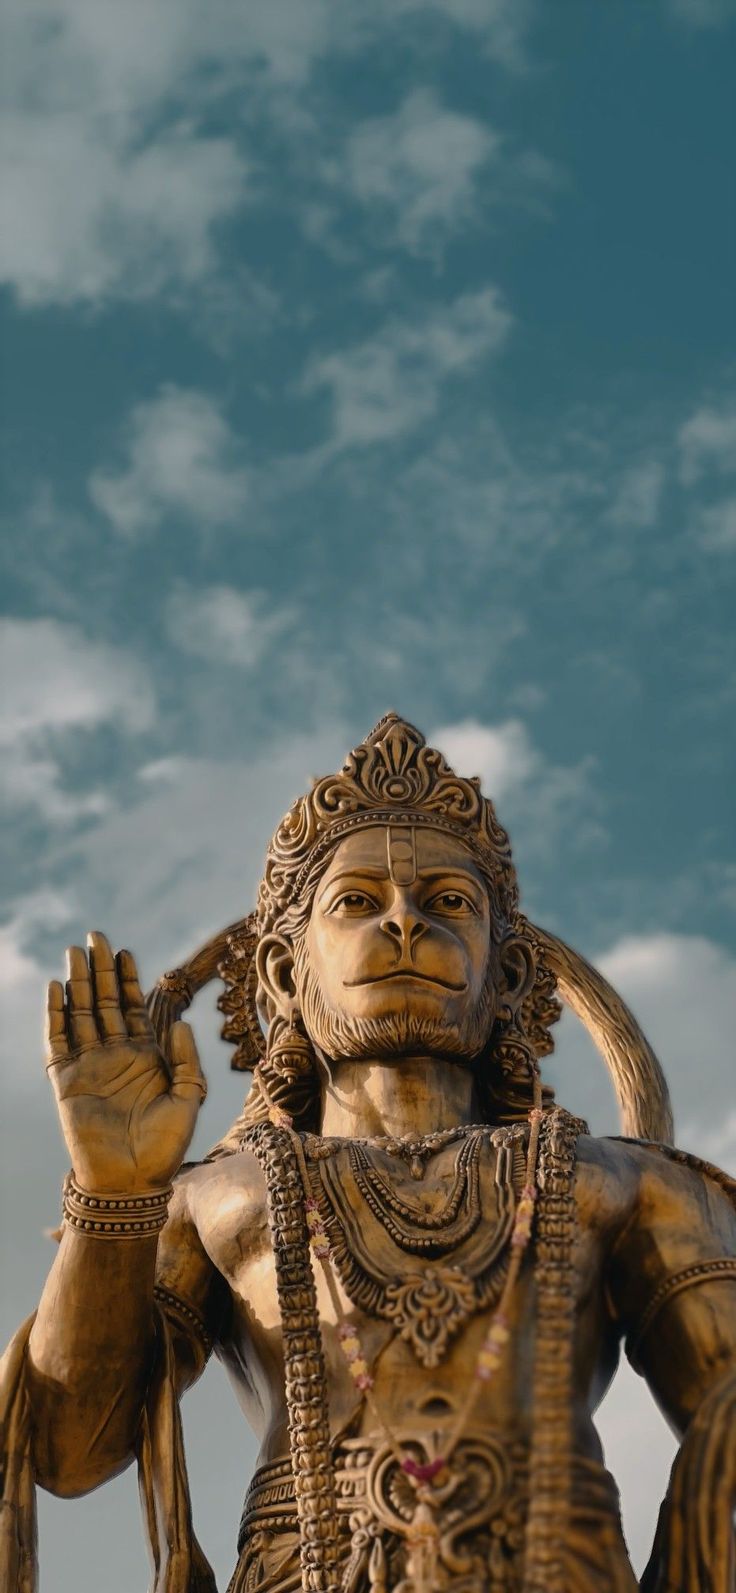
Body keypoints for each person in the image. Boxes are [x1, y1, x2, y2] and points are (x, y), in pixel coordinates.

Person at [2, 714, 735, 1593]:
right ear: (281, 973)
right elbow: (70, 1451)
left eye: (448, 902)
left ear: (505, 975)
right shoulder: (215, 1201)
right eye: (356, 900)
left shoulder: (626, 1185)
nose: (402, 923)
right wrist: (111, 1194)